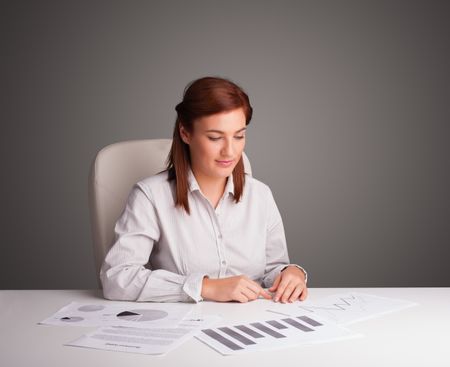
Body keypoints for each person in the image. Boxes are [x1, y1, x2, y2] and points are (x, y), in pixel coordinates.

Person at [100, 76, 308, 304]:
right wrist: (206, 287)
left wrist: (291, 273)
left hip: (253, 324)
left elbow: (273, 269)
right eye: (215, 137)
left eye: (239, 136)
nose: (230, 151)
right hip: (184, 326)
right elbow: (117, 278)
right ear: (185, 133)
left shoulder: (261, 195)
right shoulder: (150, 196)